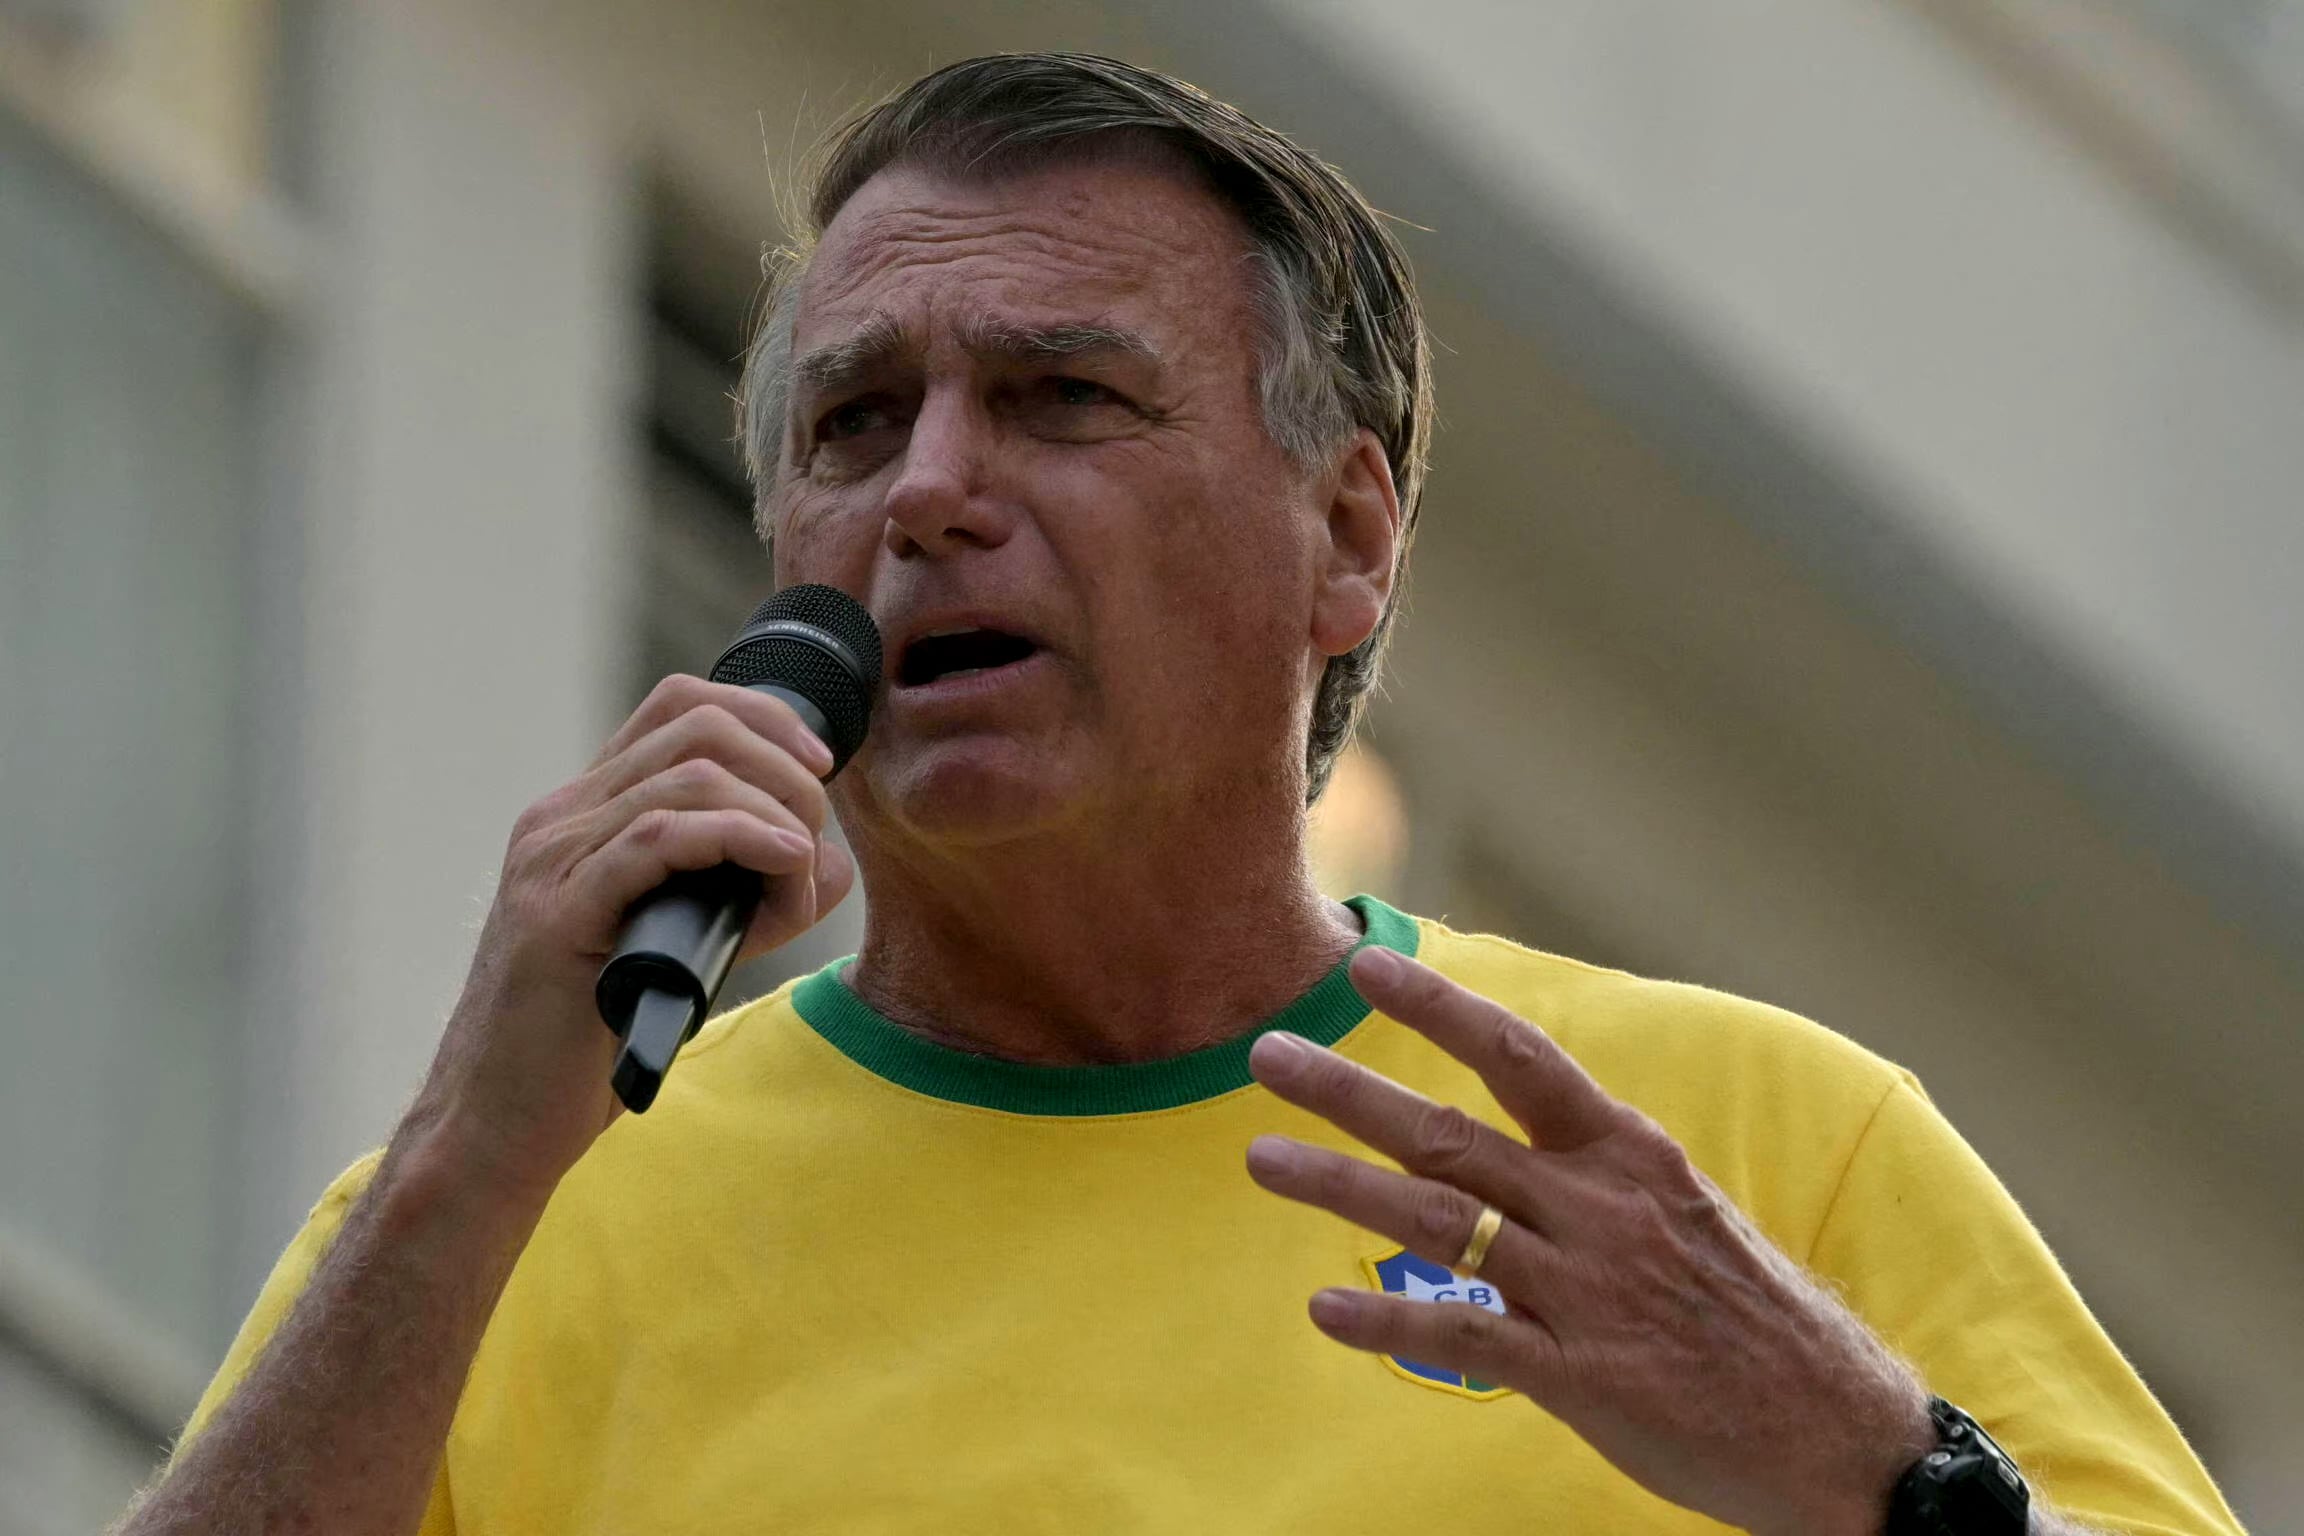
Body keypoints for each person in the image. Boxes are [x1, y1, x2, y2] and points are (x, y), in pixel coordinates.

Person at [121, 53, 2243, 1536]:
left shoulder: (1752, 1152)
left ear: (1347, 537)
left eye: (1059, 397)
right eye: (855, 424)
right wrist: (458, 1159)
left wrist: (1881, 1475)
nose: (929, 491)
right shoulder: (501, 1226)